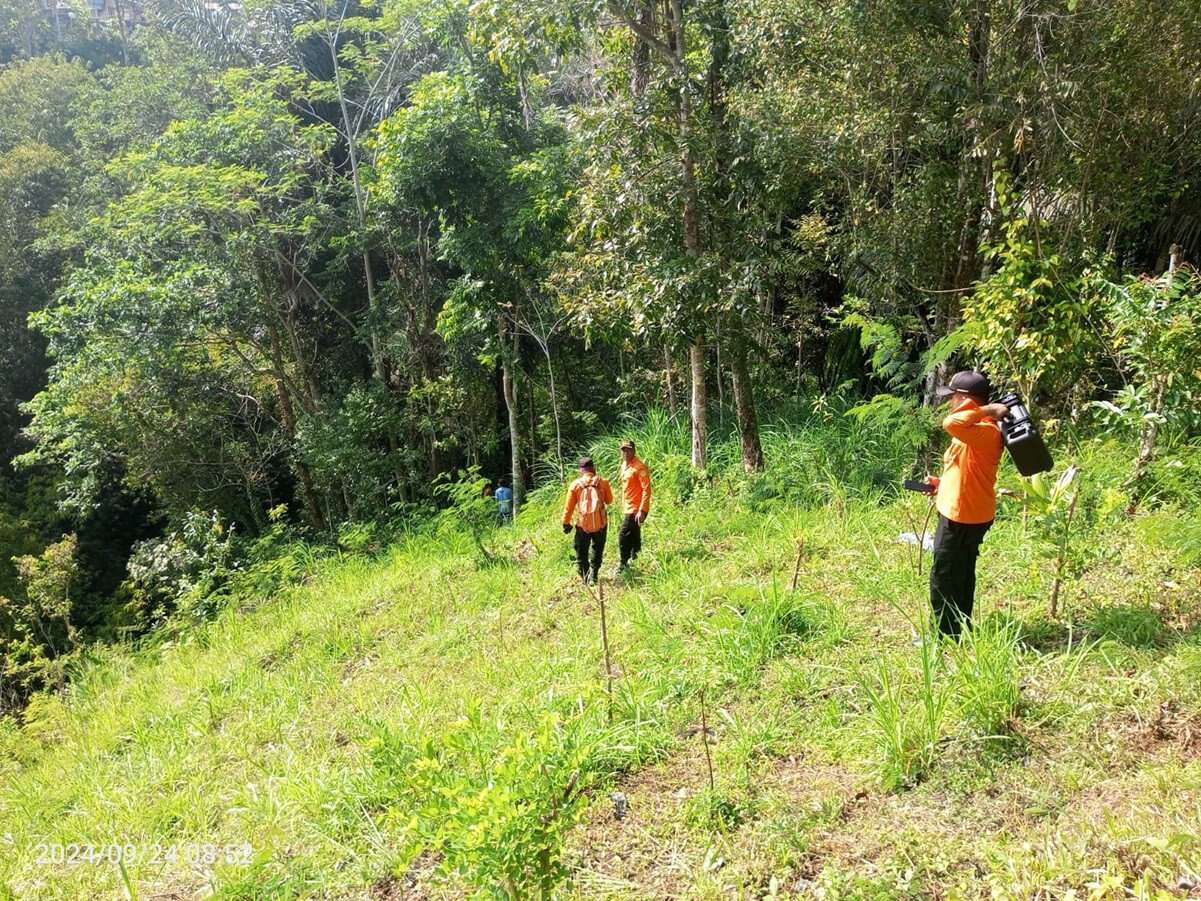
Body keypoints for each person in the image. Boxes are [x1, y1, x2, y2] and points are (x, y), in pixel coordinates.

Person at [924, 370, 1009, 639]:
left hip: (963, 515)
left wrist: (983, 409)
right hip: (964, 509)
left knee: (945, 575)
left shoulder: (985, 430)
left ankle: (944, 634)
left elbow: (951, 423)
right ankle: (958, 627)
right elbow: (966, 469)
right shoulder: (976, 431)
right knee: (960, 573)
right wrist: (940, 484)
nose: (950, 403)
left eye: (954, 397)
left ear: (966, 400)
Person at [562, 457, 613, 585]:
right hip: (601, 523)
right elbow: (609, 500)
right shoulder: (603, 482)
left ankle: (585, 577)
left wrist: (566, 523)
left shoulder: (575, 485)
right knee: (598, 548)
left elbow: (569, 507)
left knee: (581, 550)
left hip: (583, 525)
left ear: (581, 470)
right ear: (593, 468)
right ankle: (594, 575)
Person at [617, 439, 651, 572]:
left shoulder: (639, 467)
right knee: (634, 532)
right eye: (623, 450)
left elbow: (646, 489)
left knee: (623, 534)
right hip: (627, 506)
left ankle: (623, 563)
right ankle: (636, 556)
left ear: (634, 451)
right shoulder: (624, 465)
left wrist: (642, 510)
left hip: (636, 508)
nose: (625, 452)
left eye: (628, 449)